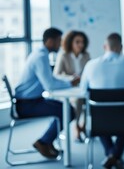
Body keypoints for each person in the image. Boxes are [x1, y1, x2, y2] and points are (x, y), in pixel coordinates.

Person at [80, 33, 124, 169]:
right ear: (121, 47)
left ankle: (111, 155)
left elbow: (83, 92)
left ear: (104, 47)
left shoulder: (90, 65)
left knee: (101, 116)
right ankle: (114, 156)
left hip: (98, 122)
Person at [15, 28, 79, 159]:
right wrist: (70, 83)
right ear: (50, 41)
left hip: (32, 100)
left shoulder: (41, 54)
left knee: (67, 109)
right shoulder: (40, 57)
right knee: (68, 111)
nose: (61, 44)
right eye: (59, 41)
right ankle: (43, 142)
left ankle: (47, 142)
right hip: (27, 105)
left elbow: (51, 79)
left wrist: (68, 81)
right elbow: (49, 86)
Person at [54, 30, 91, 142]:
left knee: (89, 100)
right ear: (70, 42)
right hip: (70, 90)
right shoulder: (63, 55)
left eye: (82, 42)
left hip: (83, 87)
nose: (81, 45)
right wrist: (71, 78)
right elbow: (57, 74)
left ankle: (84, 126)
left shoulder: (86, 55)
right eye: (77, 42)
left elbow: (90, 72)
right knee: (78, 101)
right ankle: (77, 128)